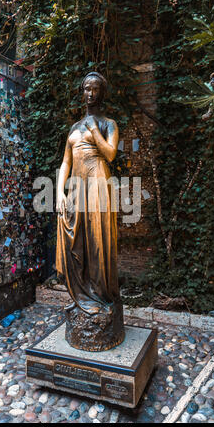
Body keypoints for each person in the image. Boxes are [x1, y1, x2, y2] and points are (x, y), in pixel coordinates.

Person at [56, 71, 122, 320]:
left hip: (97, 185)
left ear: (102, 93)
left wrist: (95, 131)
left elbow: (111, 154)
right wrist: (60, 192)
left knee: (97, 241)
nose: (90, 94)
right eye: (86, 88)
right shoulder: (73, 128)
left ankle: (101, 296)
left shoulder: (108, 124)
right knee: (76, 239)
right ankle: (81, 295)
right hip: (76, 188)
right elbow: (65, 162)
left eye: (95, 89)